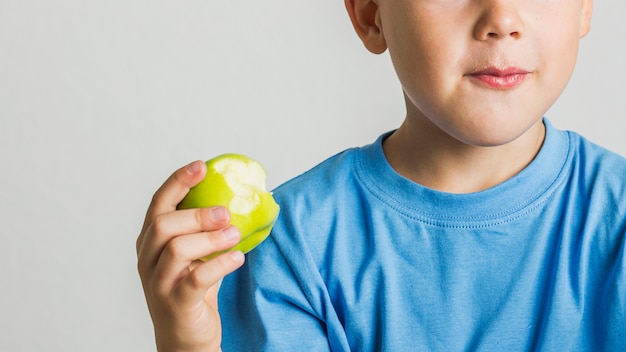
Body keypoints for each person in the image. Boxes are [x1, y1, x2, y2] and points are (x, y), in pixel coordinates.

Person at [136, 0, 626, 350]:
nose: (502, 18)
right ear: (371, 14)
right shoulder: (294, 247)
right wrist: (188, 344)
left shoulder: (617, 219)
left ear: (586, 7)